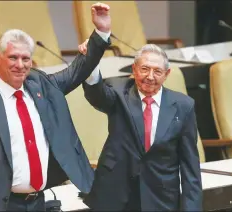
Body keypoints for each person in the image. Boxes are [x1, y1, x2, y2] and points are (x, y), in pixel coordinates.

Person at [0, 2, 111, 211]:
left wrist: (101, 33)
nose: (20, 65)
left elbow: (76, 72)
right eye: (13, 57)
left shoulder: (42, 86)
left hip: (38, 203)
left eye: (26, 59)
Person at [78, 42, 202, 211]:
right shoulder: (118, 91)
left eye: (157, 71)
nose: (150, 76)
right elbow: (97, 95)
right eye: (145, 69)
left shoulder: (183, 106)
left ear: (167, 74)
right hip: (115, 195)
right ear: (134, 69)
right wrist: (91, 63)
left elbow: (190, 168)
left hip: (161, 198)